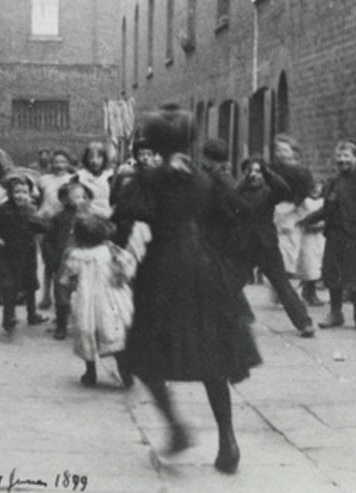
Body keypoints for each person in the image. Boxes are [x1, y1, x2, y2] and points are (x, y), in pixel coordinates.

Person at [117, 108, 260, 474]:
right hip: (205, 268)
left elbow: (124, 217)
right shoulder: (207, 179)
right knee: (213, 355)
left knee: (144, 353)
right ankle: (228, 441)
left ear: (154, 143)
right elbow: (239, 213)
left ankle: (176, 427)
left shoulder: (148, 178)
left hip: (162, 269)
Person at [59, 211, 145, 388]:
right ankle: (125, 371)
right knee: (116, 332)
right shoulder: (111, 250)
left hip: (87, 301)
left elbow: (68, 278)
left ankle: (91, 373)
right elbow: (129, 266)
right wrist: (121, 277)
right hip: (114, 298)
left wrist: (68, 288)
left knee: (87, 331)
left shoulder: (76, 255)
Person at [301, 140, 356, 332]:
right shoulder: (333, 183)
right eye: (339, 156)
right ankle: (336, 313)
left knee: (355, 276)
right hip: (334, 236)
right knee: (332, 274)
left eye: (347, 156)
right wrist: (306, 219)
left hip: (354, 237)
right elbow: (326, 210)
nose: (343, 160)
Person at [238, 157, 315, 338]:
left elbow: (283, 189)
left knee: (282, 285)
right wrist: (243, 182)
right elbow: (231, 197)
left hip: (267, 247)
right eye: (251, 171)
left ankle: (304, 323)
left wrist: (268, 173)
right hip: (244, 246)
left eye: (258, 172)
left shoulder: (268, 192)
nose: (254, 175)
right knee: (233, 283)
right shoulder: (241, 192)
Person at [0, 173, 49, 332]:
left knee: (30, 283)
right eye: (17, 192)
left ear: (30, 194)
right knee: (9, 286)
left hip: (28, 251)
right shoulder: (2, 210)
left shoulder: (30, 209)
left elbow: (39, 225)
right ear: (10, 194)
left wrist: (48, 227)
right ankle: (8, 316)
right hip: (9, 253)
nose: (21, 196)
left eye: (24, 192)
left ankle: (32, 313)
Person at [46, 180, 93, 340]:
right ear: (64, 200)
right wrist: (51, 258)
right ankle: (61, 325)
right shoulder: (58, 218)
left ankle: (86, 324)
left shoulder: (90, 216)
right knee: (61, 293)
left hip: (84, 260)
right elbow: (48, 239)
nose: (80, 200)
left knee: (85, 292)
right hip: (64, 261)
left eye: (82, 196)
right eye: (75, 197)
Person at [37, 149, 76, 309]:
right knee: (49, 261)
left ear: (68, 163)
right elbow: (40, 199)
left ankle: (65, 298)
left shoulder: (73, 179)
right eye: (56, 162)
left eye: (63, 162)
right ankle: (46, 296)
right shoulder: (44, 179)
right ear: (51, 164)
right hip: (46, 223)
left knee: (66, 262)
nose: (59, 165)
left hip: (64, 224)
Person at [296, 183, 326, 306]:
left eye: (318, 187)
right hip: (308, 237)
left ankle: (310, 293)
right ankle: (307, 292)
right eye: (313, 187)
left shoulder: (323, 202)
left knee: (317, 264)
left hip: (320, 238)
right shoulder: (304, 202)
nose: (315, 190)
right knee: (309, 265)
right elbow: (301, 219)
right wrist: (312, 225)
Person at [75, 142, 114, 219]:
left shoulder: (110, 176)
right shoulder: (80, 176)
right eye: (90, 157)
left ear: (104, 159)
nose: (94, 161)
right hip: (87, 217)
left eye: (99, 157)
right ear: (86, 159)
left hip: (107, 215)